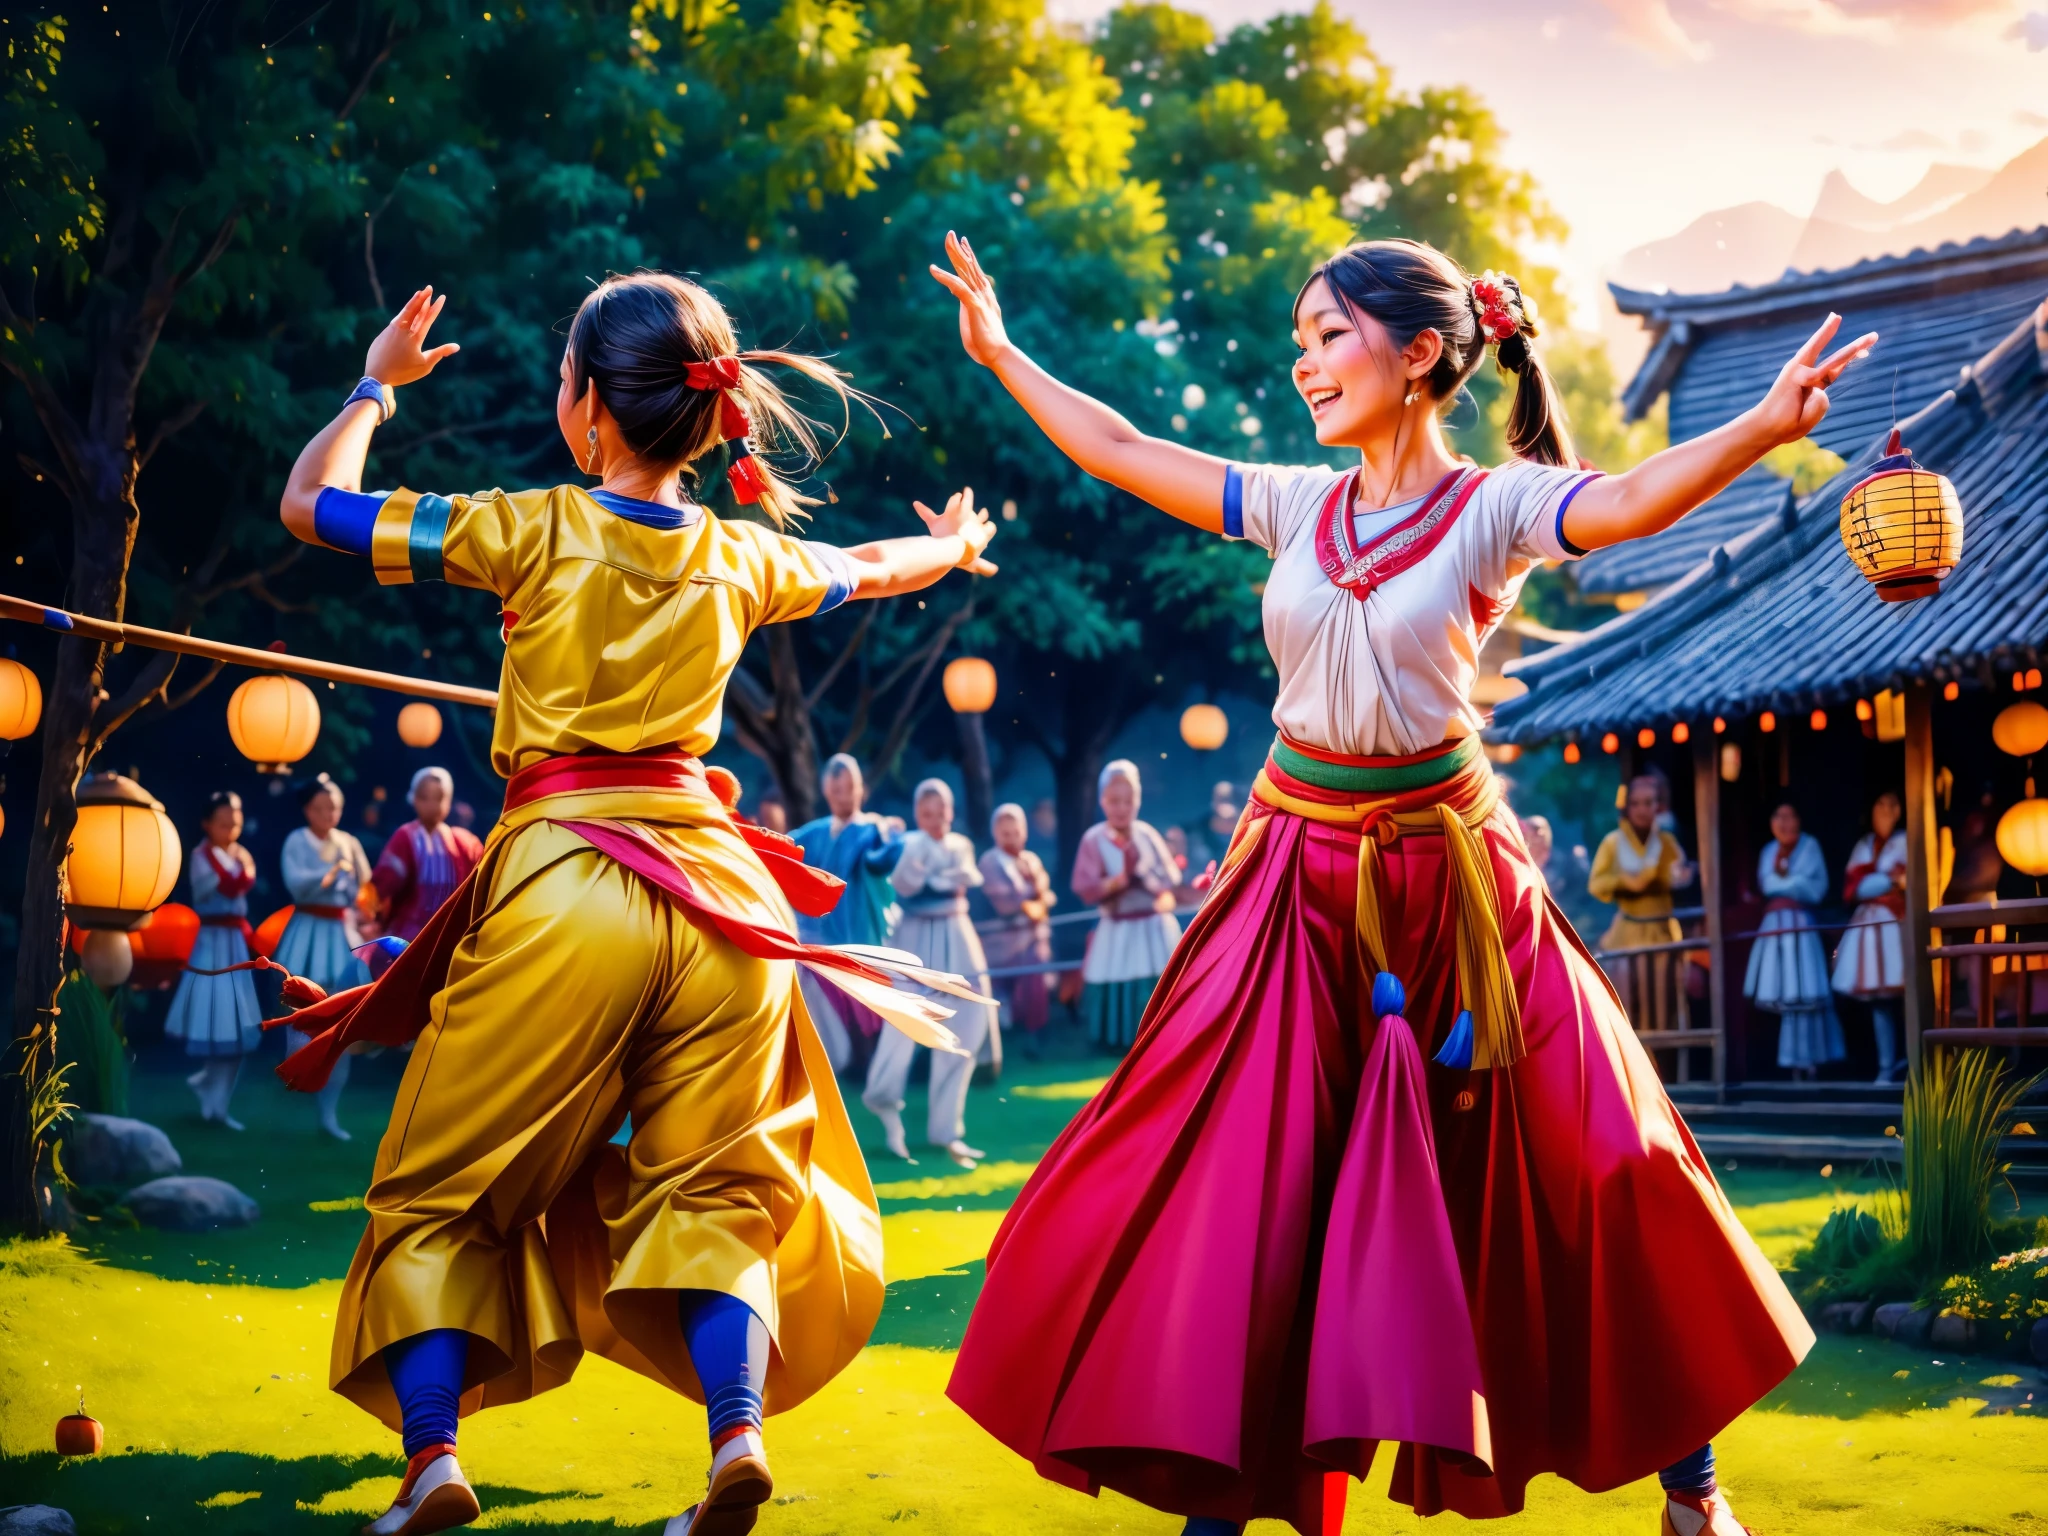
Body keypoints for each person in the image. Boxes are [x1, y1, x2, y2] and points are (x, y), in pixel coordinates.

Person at [929, 228, 1872, 1535]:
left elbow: (1623, 503)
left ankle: (1694, 1489)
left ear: (1419, 353)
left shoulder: (1489, 507)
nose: (1303, 360)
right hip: (1293, 881)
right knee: (1244, 1180)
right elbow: (1128, 449)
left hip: (1462, 883)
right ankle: (1230, 1505)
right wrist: (1003, 354)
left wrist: (1763, 428)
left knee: (1602, 1153)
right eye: (1300, 337)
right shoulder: (1289, 503)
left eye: (1328, 334)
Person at [272, 275, 997, 1535]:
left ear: (591, 410)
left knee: (443, 1185)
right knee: (715, 1187)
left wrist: (375, 384)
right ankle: (733, 1443)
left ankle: (434, 1461)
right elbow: (875, 565)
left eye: (565, 378)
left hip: (570, 881)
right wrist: (957, 546)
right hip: (723, 902)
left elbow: (308, 504)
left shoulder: (527, 526)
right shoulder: (740, 552)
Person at [865, 778, 993, 1167]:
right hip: (917, 939)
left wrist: (938, 878)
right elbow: (909, 883)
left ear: (951, 812)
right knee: (905, 1020)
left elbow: (968, 877)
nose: (936, 819)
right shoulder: (910, 844)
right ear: (918, 814)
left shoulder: (961, 845)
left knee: (968, 1024)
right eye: (927, 812)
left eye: (942, 811)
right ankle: (882, 1099)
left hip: (958, 931)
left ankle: (946, 1129)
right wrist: (938, 878)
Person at [789, 754, 906, 1072]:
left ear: (860, 789)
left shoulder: (873, 829)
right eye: (837, 788)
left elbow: (880, 861)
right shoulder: (814, 833)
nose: (844, 795)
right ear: (827, 791)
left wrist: (893, 839)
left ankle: (873, 1067)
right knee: (828, 1008)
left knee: (867, 1005)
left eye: (850, 787)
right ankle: (839, 1064)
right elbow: (784, 849)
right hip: (821, 937)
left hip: (861, 931)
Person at [275, 773, 374, 1141]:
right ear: (307, 810)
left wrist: (367, 911)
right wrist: (331, 874)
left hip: (341, 933)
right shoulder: (296, 841)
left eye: (333, 806)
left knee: (341, 1019)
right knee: (303, 1013)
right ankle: (298, 1092)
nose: (327, 813)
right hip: (308, 929)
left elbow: (367, 885)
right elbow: (297, 882)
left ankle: (329, 1113)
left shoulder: (348, 842)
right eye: (320, 807)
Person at [164, 792, 262, 1130]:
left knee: (235, 1021)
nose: (230, 827)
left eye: (235, 821)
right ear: (207, 824)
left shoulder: (241, 854)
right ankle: (211, 1096)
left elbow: (238, 882)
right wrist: (232, 875)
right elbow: (215, 887)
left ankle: (218, 1104)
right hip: (210, 942)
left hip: (234, 942)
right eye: (223, 822)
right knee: (215, 1017)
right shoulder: (200, 856)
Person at [1070, 760, 1182, 1054]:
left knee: (1158, 979)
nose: (1121, 808)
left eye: (1128, 801)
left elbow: (1170, 875)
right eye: (1114, 801)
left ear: (1138, 800)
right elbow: (1084, 886)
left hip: (1153, 926)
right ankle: (1116, 1042)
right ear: (1102, 801)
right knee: (1116, 979)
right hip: (1116, 926)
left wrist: (1145, 878)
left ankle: (1161, 1039)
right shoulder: (1094, 840)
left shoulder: (1146, 834)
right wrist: (1117, 881)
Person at [1589, 773, 1696, 1034]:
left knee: (1666, 1002)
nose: (1641, 809)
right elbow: (1597, 884)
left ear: (1657, 806)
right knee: (1629, 1005)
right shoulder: (1613, 842)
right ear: (1627, 807)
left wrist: (1680, 876)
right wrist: (1626, 881)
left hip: (1662, 932)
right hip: (1629, 932)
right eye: (1635, 803)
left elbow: (1681, 874)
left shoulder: (1666, 842)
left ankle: (1668, 1067)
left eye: (1648, 803)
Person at [1744, 801, 1844, 1080]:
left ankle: (1812, 1062)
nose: (1784, 822)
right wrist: (1793, 883)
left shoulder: (1810, 846)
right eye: (1778, 816)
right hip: (1777, 927)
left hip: (1801, 924)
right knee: (1788, 994)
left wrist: (1788, 884)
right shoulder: (1768, 851)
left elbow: (1814, 888)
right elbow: (1767, 884)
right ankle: (1792, 1063)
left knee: (1807, 993)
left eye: (1790, 816)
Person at [368, 767, 485, 977]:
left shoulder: (465, 842)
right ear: (413, 799)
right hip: (411, 929)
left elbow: (479, 884)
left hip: (451, 930)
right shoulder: (405, 837)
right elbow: (383, 884)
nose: (432, 805)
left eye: (439, 798)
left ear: (448, 802)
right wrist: (369, 912)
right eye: (424, 797)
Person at [1832, 791, 1908, 1083]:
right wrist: (1887, 879)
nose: (1886, 810)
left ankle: (1911, 1064)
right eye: (1880, 804)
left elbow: (1908, 878)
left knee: (1907, 997)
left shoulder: (1905, 840)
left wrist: (1883, 881)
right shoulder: (1865, 844)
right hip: (1868, 928)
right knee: (1879, 1001)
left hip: (1898, 925)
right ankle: (1886, 1067)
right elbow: (1856, 887)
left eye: (1892, 804)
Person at [980, 802, 1056, 1056]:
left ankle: (1034, 1041)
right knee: (997, 997)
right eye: (1005, 834)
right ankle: (997, 1047)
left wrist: (1035, 899)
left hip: (1032, 941)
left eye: (1016, 833)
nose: (1012, 839)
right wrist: (1031, 902)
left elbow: (1047, 896)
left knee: (1036, 991)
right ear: (996, 834)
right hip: (1000, 947)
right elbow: (1005, 904)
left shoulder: (1030, 860)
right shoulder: (990, 861)